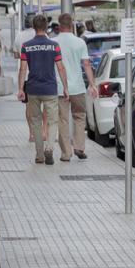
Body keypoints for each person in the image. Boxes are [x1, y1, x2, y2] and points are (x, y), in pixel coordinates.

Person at [17, 14, 69, 165]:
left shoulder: (26, 46)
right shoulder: (54, 46)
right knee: (52, 121)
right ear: (46, 27)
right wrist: (65, 87)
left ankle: (39, 154)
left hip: (32, 88)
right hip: (50, 89)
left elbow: (22, 68)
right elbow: (60, 67)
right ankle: (50, 148)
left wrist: (21, 88)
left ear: (34, 27)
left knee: (35, 122)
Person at [54, 14, 98, 162]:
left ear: (59, 25)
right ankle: (79, 147)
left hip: (60, 87)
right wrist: (92, 84)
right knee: (79, 117)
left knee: (63, 120)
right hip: (78, 87)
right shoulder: (80, 42)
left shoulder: (53, 42)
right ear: (72, 24)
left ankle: (66, 153)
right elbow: (86, 65)